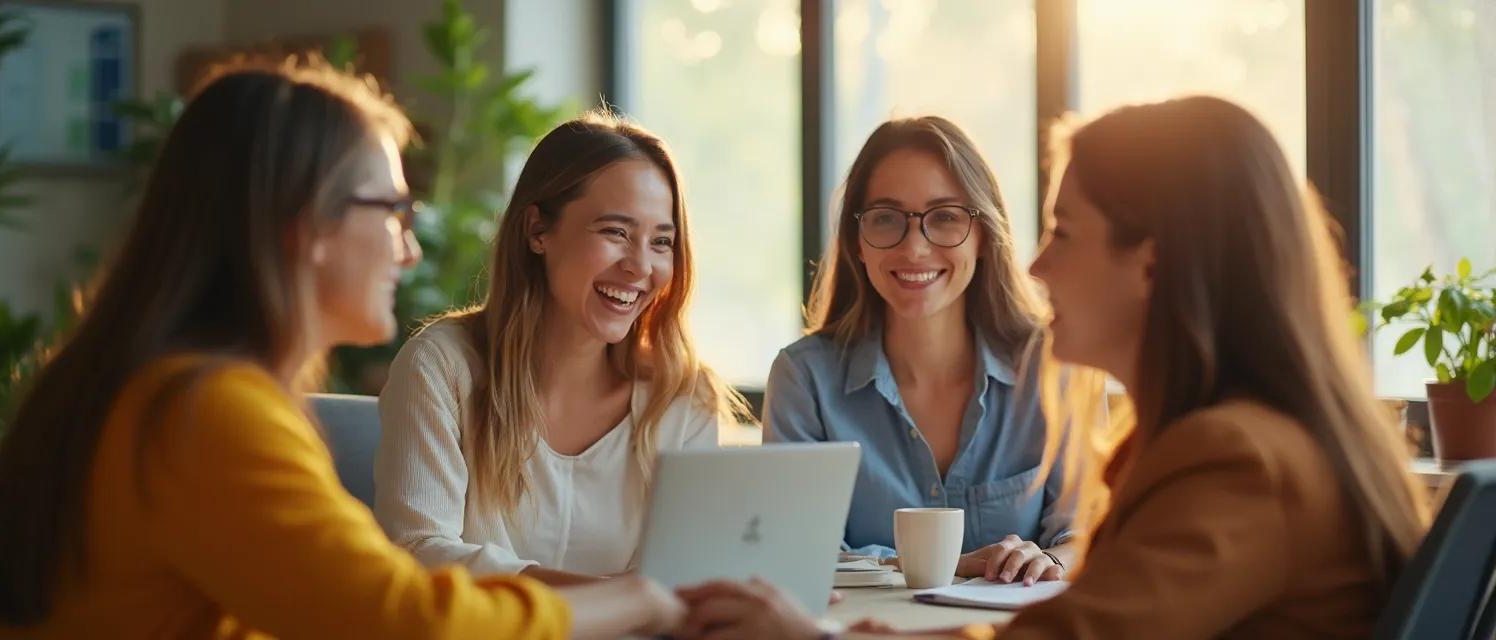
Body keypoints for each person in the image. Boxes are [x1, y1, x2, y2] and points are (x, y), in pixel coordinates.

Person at [0, 58, 684, 639]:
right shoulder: (211, 412)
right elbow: (403, 619)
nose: (408, 249)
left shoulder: (163, 386)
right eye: (393, 211)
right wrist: (636, 602)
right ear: (301, 227)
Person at [683, 96, 1432, 639]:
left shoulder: (1235, 462)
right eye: (887, 220)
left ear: (1151, 264)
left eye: (1063, 233)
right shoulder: (1236, 442)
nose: (1037, 265)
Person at [374, 111, 747, 585]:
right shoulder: (441, 367)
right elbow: (417, 552)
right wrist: (619, 598)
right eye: (616, 232)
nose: (640, 266)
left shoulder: (682, 394)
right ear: (537, 231)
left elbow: (691, 571)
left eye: (661, 242)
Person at [764, 117, 1078, 585]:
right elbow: (796, 550)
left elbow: (1089, 533)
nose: (914, 248)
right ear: (857, 242)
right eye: (886, 218)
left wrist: (1052, 560)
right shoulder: (804, 377)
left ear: (984, 236)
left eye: (946, 217)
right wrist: (935, 563)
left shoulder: (1054, 367)